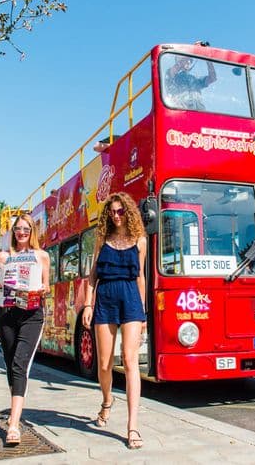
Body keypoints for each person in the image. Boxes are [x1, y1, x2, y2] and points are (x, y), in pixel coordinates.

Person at [82, 192, 147, 450]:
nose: (116, 215)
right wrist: (88, 303)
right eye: (112, 211)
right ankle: (107, 401)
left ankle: (132, 427)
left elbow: (140, 277)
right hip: (106, 298)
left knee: (130, 361)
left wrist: (142, 313)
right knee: (105, 363)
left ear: (128, 212)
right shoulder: (102, 239)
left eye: (121, 211)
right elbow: (92, 276)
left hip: (131, 298)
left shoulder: (140, 241)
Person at [0, 213, 50, 446]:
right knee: (10, 362)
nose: (22, 232)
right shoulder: (3, 257)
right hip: (6, 314)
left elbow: (47, 287)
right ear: (13, 232)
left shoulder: (41, 256)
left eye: (26, 229)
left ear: (32, 231)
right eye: (18, 229)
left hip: (32, 315)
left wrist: (40, 289)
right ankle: (17, 402)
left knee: (19, 365)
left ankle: (13, 425)